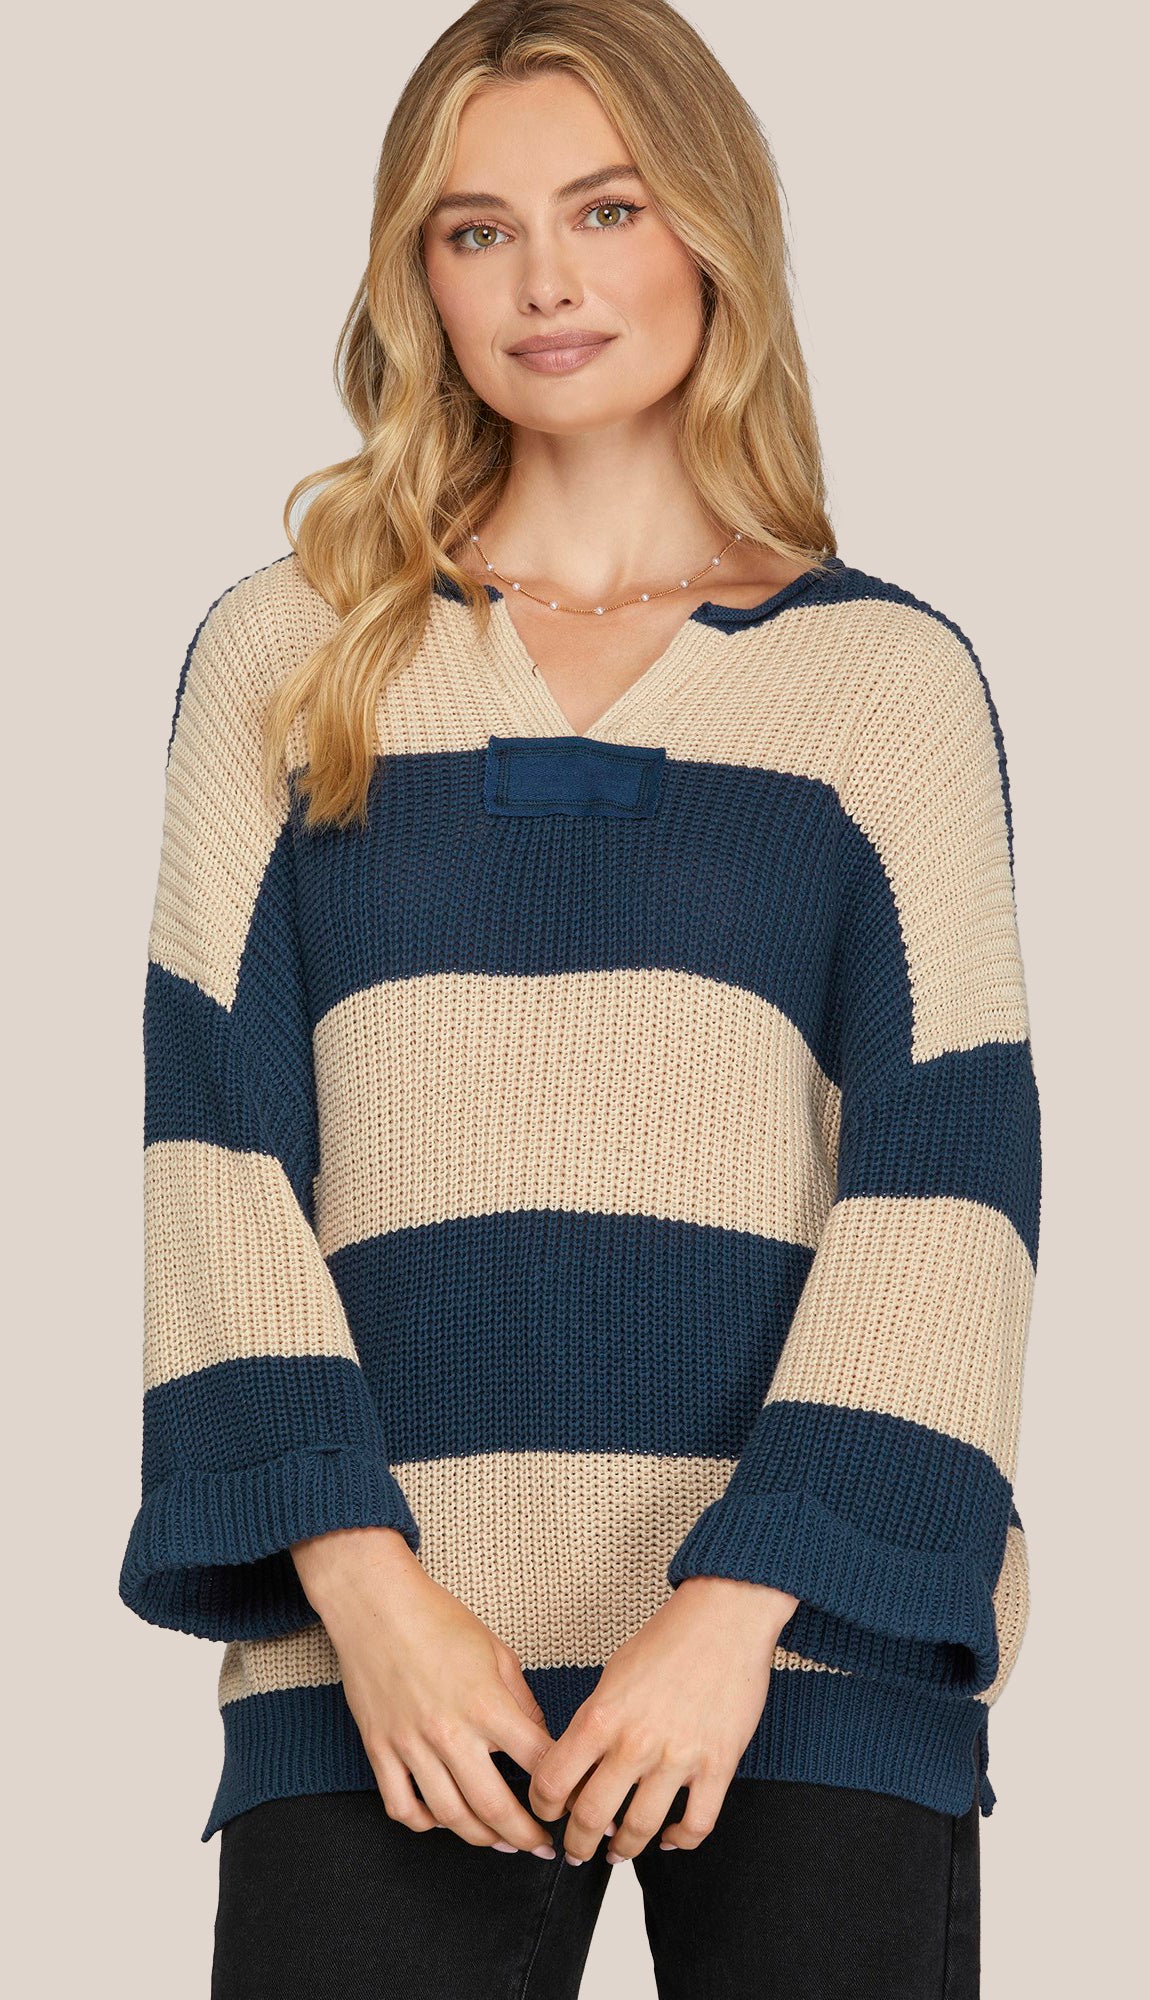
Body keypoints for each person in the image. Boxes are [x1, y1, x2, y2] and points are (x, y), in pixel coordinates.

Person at [117, 2, 1041, 1994]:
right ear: (418, 279)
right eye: (476, 230)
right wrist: (365, 1594)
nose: (543, 279)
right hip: (387, 1658)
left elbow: (946, 1180)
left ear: (710, 227)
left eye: (605, 209)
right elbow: (214, 1150)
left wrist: (737, 1604)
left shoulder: (882, 682)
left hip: (801, 1646)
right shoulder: (287, 657)